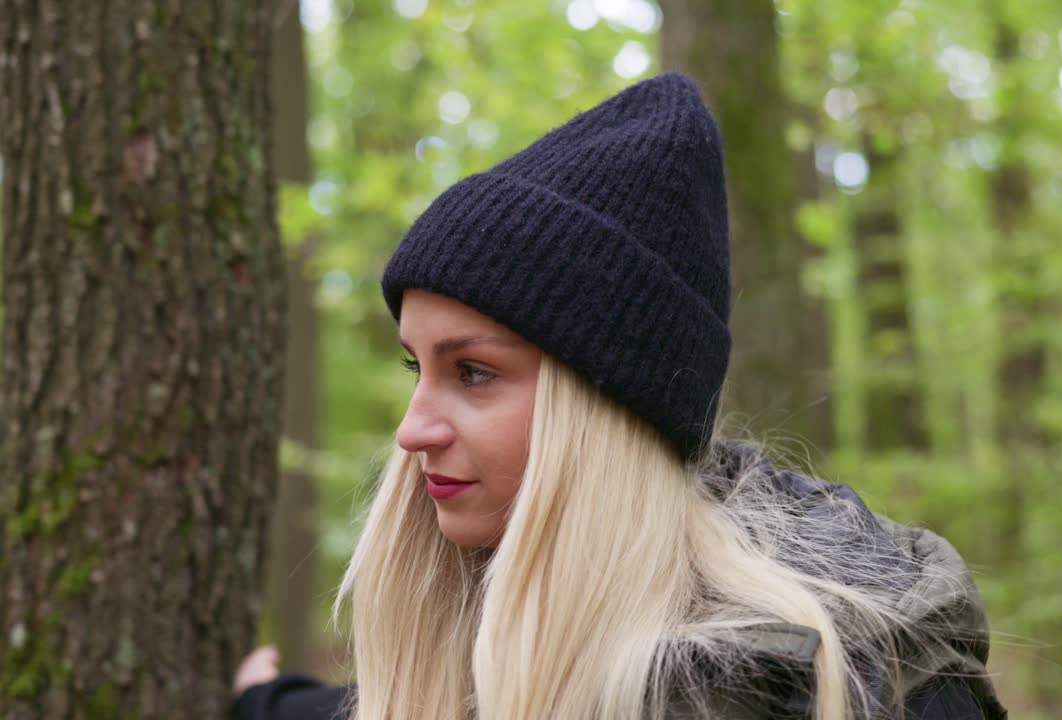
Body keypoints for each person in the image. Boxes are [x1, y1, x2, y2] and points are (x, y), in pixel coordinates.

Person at [230, 72, 1006, 720]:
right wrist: (266, 700)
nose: (413, 430)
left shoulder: (857, 683)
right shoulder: (489, 636)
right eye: (417, 369)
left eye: (472, 372)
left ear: (607, 406)